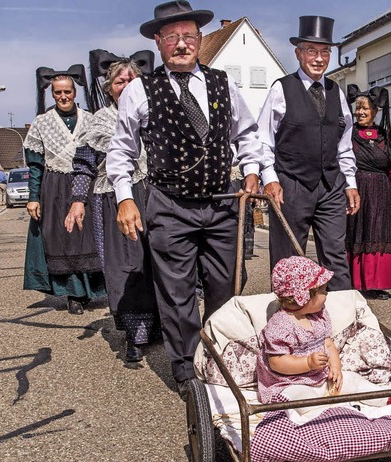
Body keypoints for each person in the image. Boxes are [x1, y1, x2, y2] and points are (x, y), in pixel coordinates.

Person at [106, 1, 263, 400]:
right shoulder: (140, 90)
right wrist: (125, 198)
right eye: (172, 37)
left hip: (223, 202)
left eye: (189, 36)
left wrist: (252, 170)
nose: (181, 44)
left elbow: (247, 134)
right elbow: (121, 151)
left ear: (200, 40)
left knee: (226, 286)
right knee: (176, 295)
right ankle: (187, 369)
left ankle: (222, 356)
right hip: (169, 206)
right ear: (158, 42)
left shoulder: (222, 83)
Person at [65, 51, 159, 362]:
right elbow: (83, 165)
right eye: (120, 81)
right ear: (110, 88)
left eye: (132, 79)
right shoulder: (99, 121)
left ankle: (162, 325)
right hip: (113, 199)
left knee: (158, 263)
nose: (127, 85)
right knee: (126, 267)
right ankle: (136, 333)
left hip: (154, 196)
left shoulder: (156, 113)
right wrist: (77, 201)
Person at [257, 15, 359, 292]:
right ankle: (288, 321)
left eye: (325, 51)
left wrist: (349, 183)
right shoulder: (282, 88)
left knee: (336, 255)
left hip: (330, 185)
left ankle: (342, 319)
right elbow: (263, 139)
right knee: (288, 256)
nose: (319, 58)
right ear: (298, 53)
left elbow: (344, 143)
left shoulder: (336, 91)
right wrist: (270, 178)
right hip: (291, 184)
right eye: (312, 50)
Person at [22, 65, 106, 315]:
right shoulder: (42, 123)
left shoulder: (91, 119)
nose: (63, 96)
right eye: (58, 92)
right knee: (64, 240)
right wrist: (33, 197)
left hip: (88, 185)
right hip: (55, 186)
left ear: (74, 92)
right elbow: (35, 165)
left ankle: (94, 290)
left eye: (67, 91)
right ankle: (74, 294)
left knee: (89, 237)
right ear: (52, 94)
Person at [256, 256, 343, 404]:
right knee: (298, 398)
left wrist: (336, 366)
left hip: (319, 376)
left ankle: (383, 400)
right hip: (289, 382)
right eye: (322, 290)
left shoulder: (319, 316)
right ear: (304, 297)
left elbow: (328, 343)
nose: (327, 294)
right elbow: (277, 362)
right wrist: (308, 363)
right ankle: (318, 412)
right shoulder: (280, 325)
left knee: (350, 381)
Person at [345, 85, 391, 300]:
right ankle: (355, 281)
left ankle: (376, 283)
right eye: (358, 109)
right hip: (356, 188)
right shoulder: (348, 134)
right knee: (356, 232)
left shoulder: (385, 136)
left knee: (378, 234)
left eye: (365, 109)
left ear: (375, 112)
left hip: (381, 191)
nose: (360, 113)